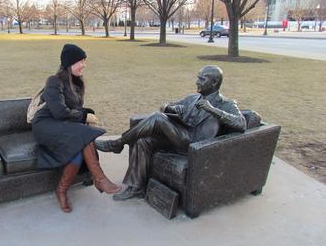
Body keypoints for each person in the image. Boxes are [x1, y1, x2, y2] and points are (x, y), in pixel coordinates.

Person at [95, 65, 247, 201]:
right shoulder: (192, 98)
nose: (197, 82)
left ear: (214, 83)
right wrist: (171, 108)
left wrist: (212, 109)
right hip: (179, 138)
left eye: (202, 79)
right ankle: (137, 188)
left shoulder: (226, 104)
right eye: (197, 77)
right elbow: (164, 106)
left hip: (196, 146)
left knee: (157, 118)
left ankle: (117, 144)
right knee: (143, 141)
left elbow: (241, 124)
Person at [32, 44, 122, 213]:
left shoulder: (77, 84)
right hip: (45, 125)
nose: (84, 65)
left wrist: (86, 113)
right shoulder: (54, 81)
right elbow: (59, 112)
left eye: (84, 61)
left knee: (79, 147)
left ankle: (61, 190)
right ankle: (99, 178)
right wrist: (84, 116)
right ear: (69, 63)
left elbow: (74, 109)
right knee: (83, 134)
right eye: (80, 61)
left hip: (64, 126)